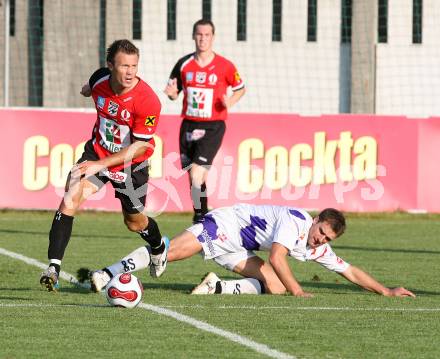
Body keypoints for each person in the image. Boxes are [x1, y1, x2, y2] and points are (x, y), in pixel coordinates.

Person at [40, 39, 169, 292]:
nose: (130, 72)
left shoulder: (148, 101)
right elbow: (91, 86)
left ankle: (158, 247)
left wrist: (99, 164)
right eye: (124, 66)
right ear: (110, 66)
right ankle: (53, 267)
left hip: (132, 167)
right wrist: (87, 89)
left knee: (134, 223)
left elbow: (139, 147)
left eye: (134, 65)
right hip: (97, 151)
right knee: (70, 197)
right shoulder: (101, 79)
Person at [88, 204, 415, 298]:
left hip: (239, 247)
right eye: (320, 233)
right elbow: (276, 257)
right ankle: (108, 274)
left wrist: (386, 291)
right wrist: (298, 291)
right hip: (225, 225)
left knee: (273, 287)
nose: (319, 241)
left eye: (326, 239)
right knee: (168, 253)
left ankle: (217, 286)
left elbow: (350, 270)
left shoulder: (318, 248)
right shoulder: (297, 220)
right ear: (316, 220)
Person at [164, 19, 246, 224]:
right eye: (199, 34)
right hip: (188, 125)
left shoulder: (225, 66)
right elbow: (174, 91)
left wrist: (231, 101)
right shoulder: (183, 64)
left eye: (207, 35)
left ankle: (200, 218)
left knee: (197, 172)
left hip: (213, 126)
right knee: (194, 178)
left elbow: (240, 87)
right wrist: (172, 95)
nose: (203, 38)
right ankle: (201, 214)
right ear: (193, 36)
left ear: (213, 37)